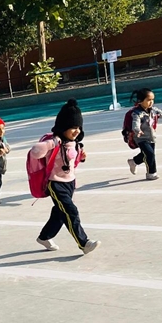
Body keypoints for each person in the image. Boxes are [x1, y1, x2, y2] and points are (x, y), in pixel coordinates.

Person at [30, 99, 100, 255]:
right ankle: (84, 243)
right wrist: (52, 142)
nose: (77, 131)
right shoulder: (55, 142)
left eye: (79, 127)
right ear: (63, 127)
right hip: (55, 183)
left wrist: (81, 157)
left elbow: (72, 160)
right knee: (70, 211)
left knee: (60, 212)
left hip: (70, 182)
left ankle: (44, 237)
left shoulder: (74, 143)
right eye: (73, 127)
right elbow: (35, 152)